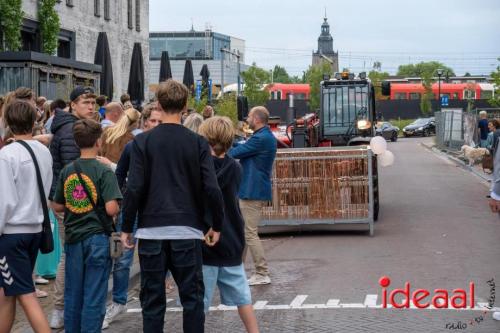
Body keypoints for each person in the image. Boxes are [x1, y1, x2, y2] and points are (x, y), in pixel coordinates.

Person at [121, 79, 225, 333]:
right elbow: (211, 187)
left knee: (153, 301)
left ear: (158, 104)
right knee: (192, 300)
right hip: (187, 230)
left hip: (151, 230)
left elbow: (134, 187)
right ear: (186, 106)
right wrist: (217, 224)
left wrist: (126, 226)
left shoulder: (142, 142)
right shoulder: (198, 143)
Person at [51, 119, 122, 332]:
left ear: (76, 141)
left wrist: (76, 205)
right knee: (94, 293)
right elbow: (111, 209)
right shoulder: (104, 171)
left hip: (73, 238)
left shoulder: (68, 170)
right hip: (98, 238)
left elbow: (57, 205)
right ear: (99, 142)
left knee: (73, 292)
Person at [100, 102, 163, 330]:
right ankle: (118, 301)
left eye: (160, 121)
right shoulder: (133, 146)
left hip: (157, 212)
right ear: (145, 122)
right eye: (153, 121)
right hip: (130, 209)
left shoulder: (167, 146)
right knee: (121, 257)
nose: (156, 125)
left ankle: (148, 296)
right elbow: (119, 175)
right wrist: (119, 202)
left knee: (155, 258)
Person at [198, 116, 259, 333]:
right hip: (232, 237)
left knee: (199, 301)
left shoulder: (199, 169)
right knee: (243, 297)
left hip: (205, 238)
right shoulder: (235, 168)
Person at [0, 100, 52, 333]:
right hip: (35, 228)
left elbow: (5, 201)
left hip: (11, 234)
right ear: (34, 121)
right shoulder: (43, 151)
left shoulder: (7, 155)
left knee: (25, 294)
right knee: (7, 292)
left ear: (8, 122)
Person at [48, 86, 97, 329]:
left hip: (73, 201)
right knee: (70, 255)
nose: (91, 107)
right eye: (86, 102)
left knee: (73, 254)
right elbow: (74, 171)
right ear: (73, 105)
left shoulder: (71, 127)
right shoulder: (71, 131)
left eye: (93, 103)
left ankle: (67, 308)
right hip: (71, 203)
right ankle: (60, 308)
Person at [228, 106, 277, 286]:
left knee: (249, 233)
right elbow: (241, 147)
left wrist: (222, 142)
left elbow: (234, 153)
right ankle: (237, 269)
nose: (247, 119)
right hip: (252, 189)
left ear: (256, 119)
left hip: (252, 190)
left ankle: (262, 272)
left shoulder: (260, 139)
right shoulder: (262, 137)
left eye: (249, 116)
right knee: (246, 232)